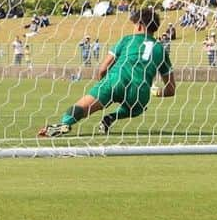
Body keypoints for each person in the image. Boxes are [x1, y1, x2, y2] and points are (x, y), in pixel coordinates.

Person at [37, 7, 175, 138]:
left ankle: (64, 124)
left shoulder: (127, 39)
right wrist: (155, 92)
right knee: (138, 108)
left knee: (82, 107)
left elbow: (103, 67)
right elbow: (171, 90)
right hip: (139, 89)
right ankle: (111, 117)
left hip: (116, 79)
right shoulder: (161, 50)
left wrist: (103, 86)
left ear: (139, 25)